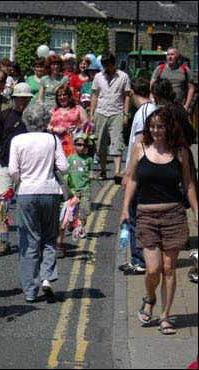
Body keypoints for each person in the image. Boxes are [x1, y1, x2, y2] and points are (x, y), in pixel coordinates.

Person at [121, 106, 198, 335]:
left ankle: (165, 316)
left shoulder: (180, 152)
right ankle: (150, 297)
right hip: (146, 215)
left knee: (169, 268)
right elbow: (133, 179)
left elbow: (189, 185)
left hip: (174, 215)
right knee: (153, 269)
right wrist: (125, 208)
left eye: (160, 126)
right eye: (152, 126)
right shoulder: (139, 147)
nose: (155, 130)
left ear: (169, 127)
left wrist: (196, 211)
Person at [8, 102, 67, 303]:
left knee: (28, 242)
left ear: (26, 120)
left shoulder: (17, 140)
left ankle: (30, 291)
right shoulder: (52, 139)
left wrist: (21, 182)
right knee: (49, 237)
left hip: (26, 193)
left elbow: (12, 171)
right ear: (45, 120)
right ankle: (47, 278)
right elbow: (64, 167)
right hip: (50, 192)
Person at [119, 78, 158, 276]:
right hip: (148, 171)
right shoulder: (153, 108)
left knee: (134, 216)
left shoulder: (143, 112)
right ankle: (141, 258)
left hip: (139, 172)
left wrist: (128, 174)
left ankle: (139, 261)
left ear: (132, 92)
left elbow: (138, 146)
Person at [0, 83, 33, 257]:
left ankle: (30, 238)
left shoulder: (33, 117)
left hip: (28, 167)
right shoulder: (5, 115)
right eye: (19, 97)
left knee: (27, 204)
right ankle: (4, 240)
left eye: (25, 98)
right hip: (5, 163)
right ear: (14, 98)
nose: (22, 101)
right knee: (3, 203)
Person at [89, 53, 132, 183]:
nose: (107, 67)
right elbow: (95, 95)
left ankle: (117, 172)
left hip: (117, 112)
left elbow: (127, 96)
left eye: (109, 64)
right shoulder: (98, 76)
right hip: (101, 112)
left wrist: (125, 114)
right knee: (100, 143)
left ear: (114, 63)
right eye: (104, 65)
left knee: (117, 142)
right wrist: (92, 113)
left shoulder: (123, 76)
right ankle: (103, 171)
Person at [57, 133, 94, 258]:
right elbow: (64, 173)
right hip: (72, 191)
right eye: (79, 144)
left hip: (85, 189)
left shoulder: (88, 160)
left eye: (84, 145)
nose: (82, 147)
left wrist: (91, 175)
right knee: (67, 214)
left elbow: (91, 170)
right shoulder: (70, 159)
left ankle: (80, 227)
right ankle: (71, 227)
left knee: (84, 210)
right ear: (74, 145)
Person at [48, 85, 89, 157]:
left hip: (74, 142)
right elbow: (46, 125)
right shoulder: (53, 110)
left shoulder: (78, 108)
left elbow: (87, 125)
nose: (62, 97)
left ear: (69, 96)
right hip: (57, 142)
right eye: (59, 95)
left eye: (64, 95)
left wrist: (73, 129)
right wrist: (54, 129)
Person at [150, 47, 195, 113]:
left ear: (177, 56)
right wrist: (152, 101)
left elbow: (191, 89)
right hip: (162, 107)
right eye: (168, 55)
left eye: (172, 54)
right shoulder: (159, 69)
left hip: (178, 106)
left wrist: (186, 106)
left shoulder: (185, 70)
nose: (169, 57)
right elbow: (152, 85)